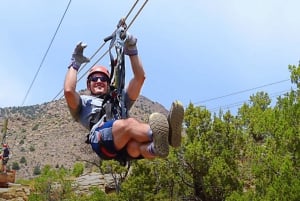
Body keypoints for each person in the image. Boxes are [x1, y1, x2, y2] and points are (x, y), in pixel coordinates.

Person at [64, 30, 184, 163]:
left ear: (108, 83)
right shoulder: (83, 102)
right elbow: (69, 91)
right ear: (88, 85)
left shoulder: (119, 100)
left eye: (103, 79)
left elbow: (140, 78)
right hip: (101, 139)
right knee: (130, 124)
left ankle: (155, 148)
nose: (99, 81)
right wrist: (75, 63)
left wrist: (132, 49)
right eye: (95, 79)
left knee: (136, 146)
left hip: (122, 146)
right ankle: (162, 135)